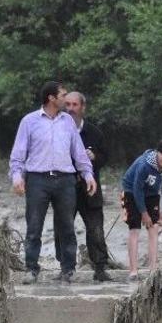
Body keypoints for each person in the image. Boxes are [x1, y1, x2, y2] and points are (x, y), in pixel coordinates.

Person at [8, 80, 96, 285]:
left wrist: (88, 174)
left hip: (65, 179)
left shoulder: (68, 122)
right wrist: (16, 176)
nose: (66, 99)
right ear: (51, 98)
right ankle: (31, 268)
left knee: (66, 225)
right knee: (34, 225)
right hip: (37, 178)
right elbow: (18, 153)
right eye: (63, 95)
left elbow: (78, 152)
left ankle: (68, 268)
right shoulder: (29, 121)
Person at [54, 91, 112, 282]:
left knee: (95, 229)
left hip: (90, 189)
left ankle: (100, 268)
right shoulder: (56, 130)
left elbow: (105, 157)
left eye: (74, 105)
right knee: (63, 227)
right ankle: (65, 267)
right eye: (67, 104)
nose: (70, 108)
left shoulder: (95, 132)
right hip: (65, 188)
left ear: (82, 107)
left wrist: (95, 158)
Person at [121, 137, 162, 280]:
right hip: (131, 190)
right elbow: (137, 189)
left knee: (154, 228)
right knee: (134, 229)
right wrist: (143, 213)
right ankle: (133, 271)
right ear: (158, 152)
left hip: (152, 193)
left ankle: (153, 269)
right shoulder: (144, 165)